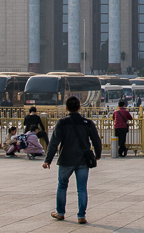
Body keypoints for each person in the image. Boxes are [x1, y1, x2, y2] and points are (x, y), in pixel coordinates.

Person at [42, 95, 102, 224]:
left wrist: (48, 160)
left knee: (62, 186)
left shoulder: (62, 123)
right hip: (83, 160)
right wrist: (97, 154)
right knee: (82, 188)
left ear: (66, 108)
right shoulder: (88, 123)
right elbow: (96, 140)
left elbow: (54, 143)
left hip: (66, 159)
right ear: (80, 107)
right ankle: (81, 215)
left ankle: (60, 212)